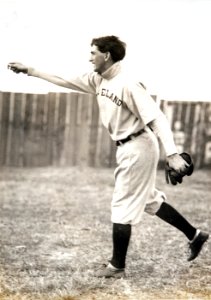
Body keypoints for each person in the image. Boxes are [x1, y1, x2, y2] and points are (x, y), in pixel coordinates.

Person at [8, 35, 209, 279]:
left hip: (139, 144)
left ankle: (117, 266)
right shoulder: (98, 80)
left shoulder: (128, 84)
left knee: (122, 203)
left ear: (107, 55)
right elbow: (64, 79)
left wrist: (173, 153)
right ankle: (195, 235)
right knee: (148, 200)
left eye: (93, 52)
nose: (89, 57)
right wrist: (31, 71)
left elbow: (157, 118)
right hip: (128, 146)